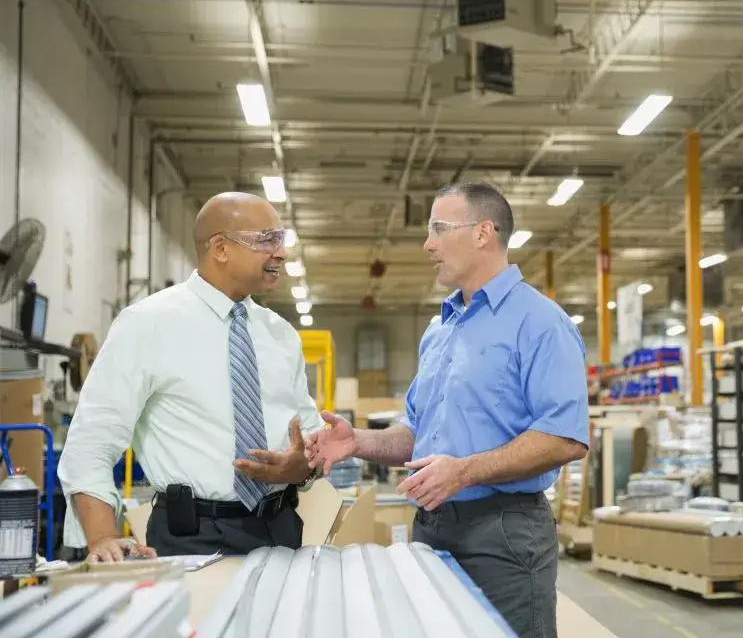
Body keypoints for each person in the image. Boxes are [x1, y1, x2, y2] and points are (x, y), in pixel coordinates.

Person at [306, 181, 588, 638]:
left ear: (483, 233)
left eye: (439, 228)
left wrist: (464, 472)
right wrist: (357, 441)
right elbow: (420, 432)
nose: (428, 244)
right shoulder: (441, 330)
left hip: (503, 533)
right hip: (432, 527)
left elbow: (565, 437)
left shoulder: (541, 323)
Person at [58, 192, 323, 563]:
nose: (279, 253)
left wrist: (304, 468)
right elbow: (91, 441)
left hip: (280, 529)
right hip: (190, 537)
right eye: (267, 240)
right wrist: (103, 536)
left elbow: (310, 438)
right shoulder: (147, 325)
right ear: (220, 248)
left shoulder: (280, 335)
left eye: (281, 240)